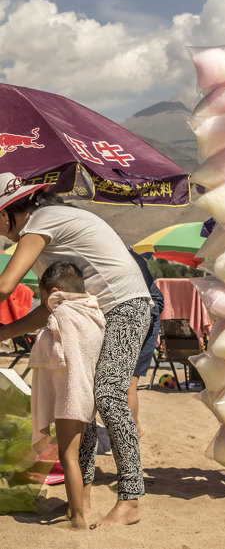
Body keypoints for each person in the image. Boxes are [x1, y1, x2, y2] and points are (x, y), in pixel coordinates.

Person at [0, 173, 152, 526]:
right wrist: (6, 331)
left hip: (125, 305)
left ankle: (131, 500)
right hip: (90, 313)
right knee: (79, 400)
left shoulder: (41, 223)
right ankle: (78, 502)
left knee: (108, 394)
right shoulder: (42, 238)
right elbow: (51, 304)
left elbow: (6, 286)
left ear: (8, 212)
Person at [29, 261, 105, 530]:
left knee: (67, 456)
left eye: (43, 298)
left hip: (69, 396)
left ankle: (79, 519)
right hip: (85, 393)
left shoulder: (61, 315)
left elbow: (49, 352)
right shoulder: (92, 312)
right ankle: (77, 508)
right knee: (75, 454)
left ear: (54, 292)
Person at [128, 249, 165, 436]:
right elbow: (159, 300)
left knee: (127, 384)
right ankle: (134, 429)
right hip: (149, 311)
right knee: (129, 384)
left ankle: (133, 430)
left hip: (144, 312)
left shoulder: (122, 257)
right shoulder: (130, 257)